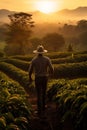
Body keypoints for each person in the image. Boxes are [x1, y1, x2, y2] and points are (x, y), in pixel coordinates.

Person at [28, 45, 54, 117]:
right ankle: (43, 108)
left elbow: (30, 70)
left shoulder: (34, 60)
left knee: (39, 94)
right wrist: (51, 75)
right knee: (44, 92)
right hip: (45, 78)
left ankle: (39, 110)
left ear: (37, 53)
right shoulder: (47, 59)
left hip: (38, 78)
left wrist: (30, 78)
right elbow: (52, 69)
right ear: (43, 52)